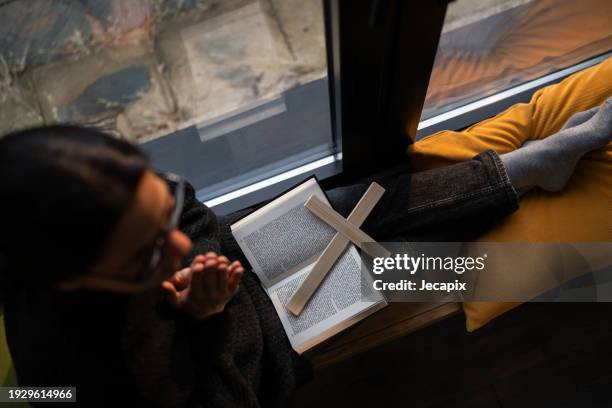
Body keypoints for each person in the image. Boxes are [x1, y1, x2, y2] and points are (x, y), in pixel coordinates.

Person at [0, 99, 610, 407]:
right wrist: (204, 321)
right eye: (145, 253)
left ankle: (526, 168)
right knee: (400, 274)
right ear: (78, 279)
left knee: (361, 206)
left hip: (240, 257)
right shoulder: (77, 376)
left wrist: (184, 258)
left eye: (158, 208)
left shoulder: (103, 204)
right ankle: (532, 233)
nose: (176, 244)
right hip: (258, 343)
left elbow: (194, 218)